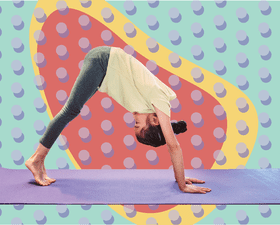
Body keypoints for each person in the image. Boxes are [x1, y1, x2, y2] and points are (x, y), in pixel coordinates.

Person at [25, 46, 211, 194]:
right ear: (155, 120)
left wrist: (180, 176)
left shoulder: (151, 112)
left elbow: (165, 135)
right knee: (71, 110)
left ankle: (39, 162)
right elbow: (173, 145)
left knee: (72, 110)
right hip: (103, 61)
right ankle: (36, 158)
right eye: (138, 123)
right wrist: (182, 184)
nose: (134, 118)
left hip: (103, 70)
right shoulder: (159, 100)